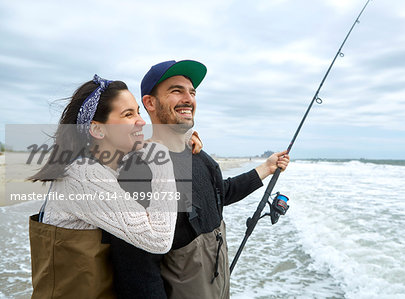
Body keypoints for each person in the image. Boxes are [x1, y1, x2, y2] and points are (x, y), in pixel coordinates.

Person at [28, 75, 202, 298]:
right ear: (98, 130)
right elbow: (159, 239)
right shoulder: (83, 175)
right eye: (128, 114)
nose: (141, 121)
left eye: (138, 111)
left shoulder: (110, 166)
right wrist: (162, 160)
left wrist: (184, 138)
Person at [137, 60, 289, 298]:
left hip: (217, 283)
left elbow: (221, 193)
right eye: (176, 91)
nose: (188, 99)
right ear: (150, 102)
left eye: (192, 92)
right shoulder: (142, 169)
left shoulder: (199, 155)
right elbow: (138, 270)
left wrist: (266, 168)